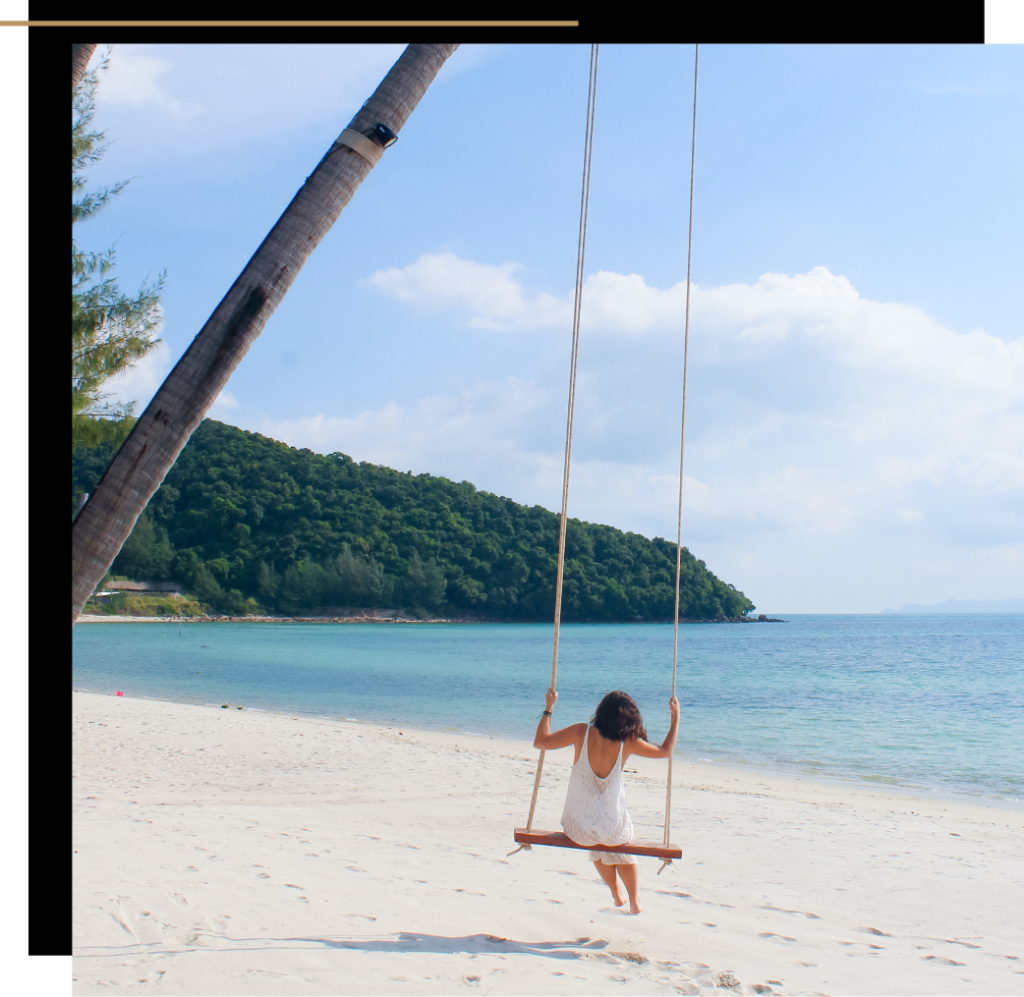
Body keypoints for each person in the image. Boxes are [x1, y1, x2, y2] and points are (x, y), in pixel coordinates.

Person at [533, 687, 679, 914]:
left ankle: (615, 893)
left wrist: (549, 708)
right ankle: (634, 900)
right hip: (612, 830)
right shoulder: (628, 742)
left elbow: (541, 742)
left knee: (595, 835)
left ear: (601, 712)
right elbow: (665, 751)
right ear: (629, 717)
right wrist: (675, 717)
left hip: (577, 830)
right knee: (615, 839)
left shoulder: (581, 732)